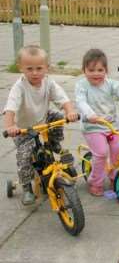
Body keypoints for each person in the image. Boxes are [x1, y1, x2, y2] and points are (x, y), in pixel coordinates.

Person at [3, 45, 78, 205]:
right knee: (24, 158)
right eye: (29, 69)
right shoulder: (19, 87)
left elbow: (62, 97)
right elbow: (10, 107)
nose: (35, 73)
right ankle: (26, 187)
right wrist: (10, 126)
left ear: (47, 68)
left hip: (43, 120)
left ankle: (54, 143)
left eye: (39, 68)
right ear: (20, 68)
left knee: (58, 116)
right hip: (24, 130)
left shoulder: (48, 82)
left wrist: (69, 111)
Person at [76, 49, 119, 196]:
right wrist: (90, 114)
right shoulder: (82, 86)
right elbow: (80, 102)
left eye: (100, 70)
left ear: (106, 70)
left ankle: (115, 177)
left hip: (111, 126)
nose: (96, 73)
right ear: (84, 70)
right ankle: (95, 182)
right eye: (91, 70)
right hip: (92, 126)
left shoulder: (111, 84)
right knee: (101, 153)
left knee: (118, 151)